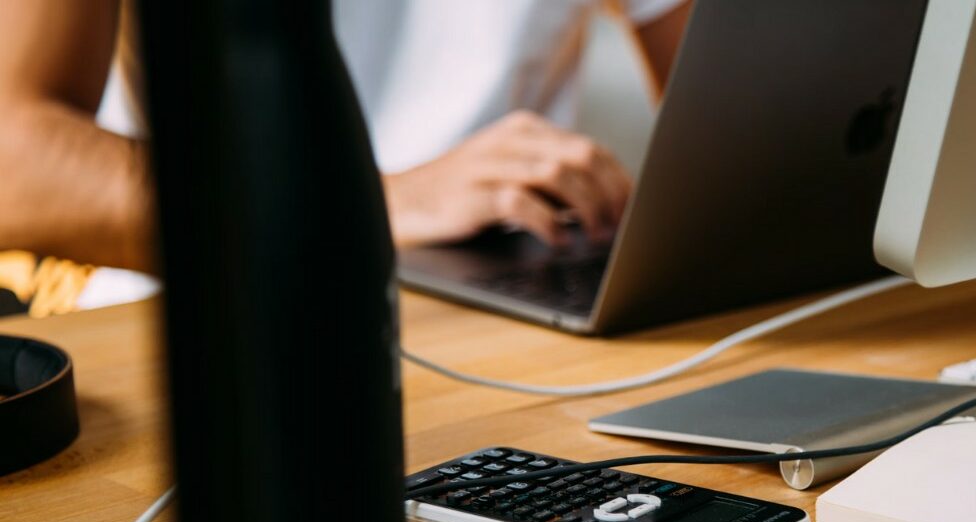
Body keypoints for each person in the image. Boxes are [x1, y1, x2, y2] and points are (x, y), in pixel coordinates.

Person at [0, 0, 691, 278]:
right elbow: (14, 159)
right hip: (223, 324)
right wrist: (365, 204)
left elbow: (745, 110)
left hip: (515, 302)